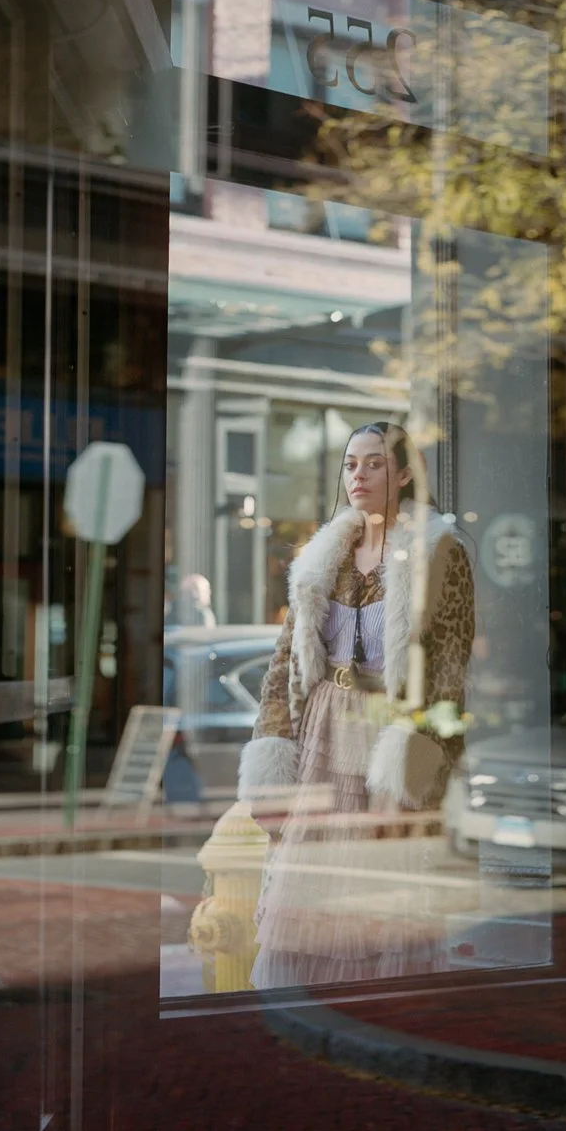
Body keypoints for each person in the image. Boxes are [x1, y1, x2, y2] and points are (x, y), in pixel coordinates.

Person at [238, 422, 475, 988]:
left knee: (385, 881)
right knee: (313, 880)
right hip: (322, 725)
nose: (358, 476)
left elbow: (446, 674)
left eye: (373, 464)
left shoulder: (437, 553)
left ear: (403, 474)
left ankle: (381, 1010)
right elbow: (284, 667)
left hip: (389, 730)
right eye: (350, 464)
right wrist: (271, 755)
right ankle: (311, 1013)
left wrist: (416, 762)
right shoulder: (325, 554)